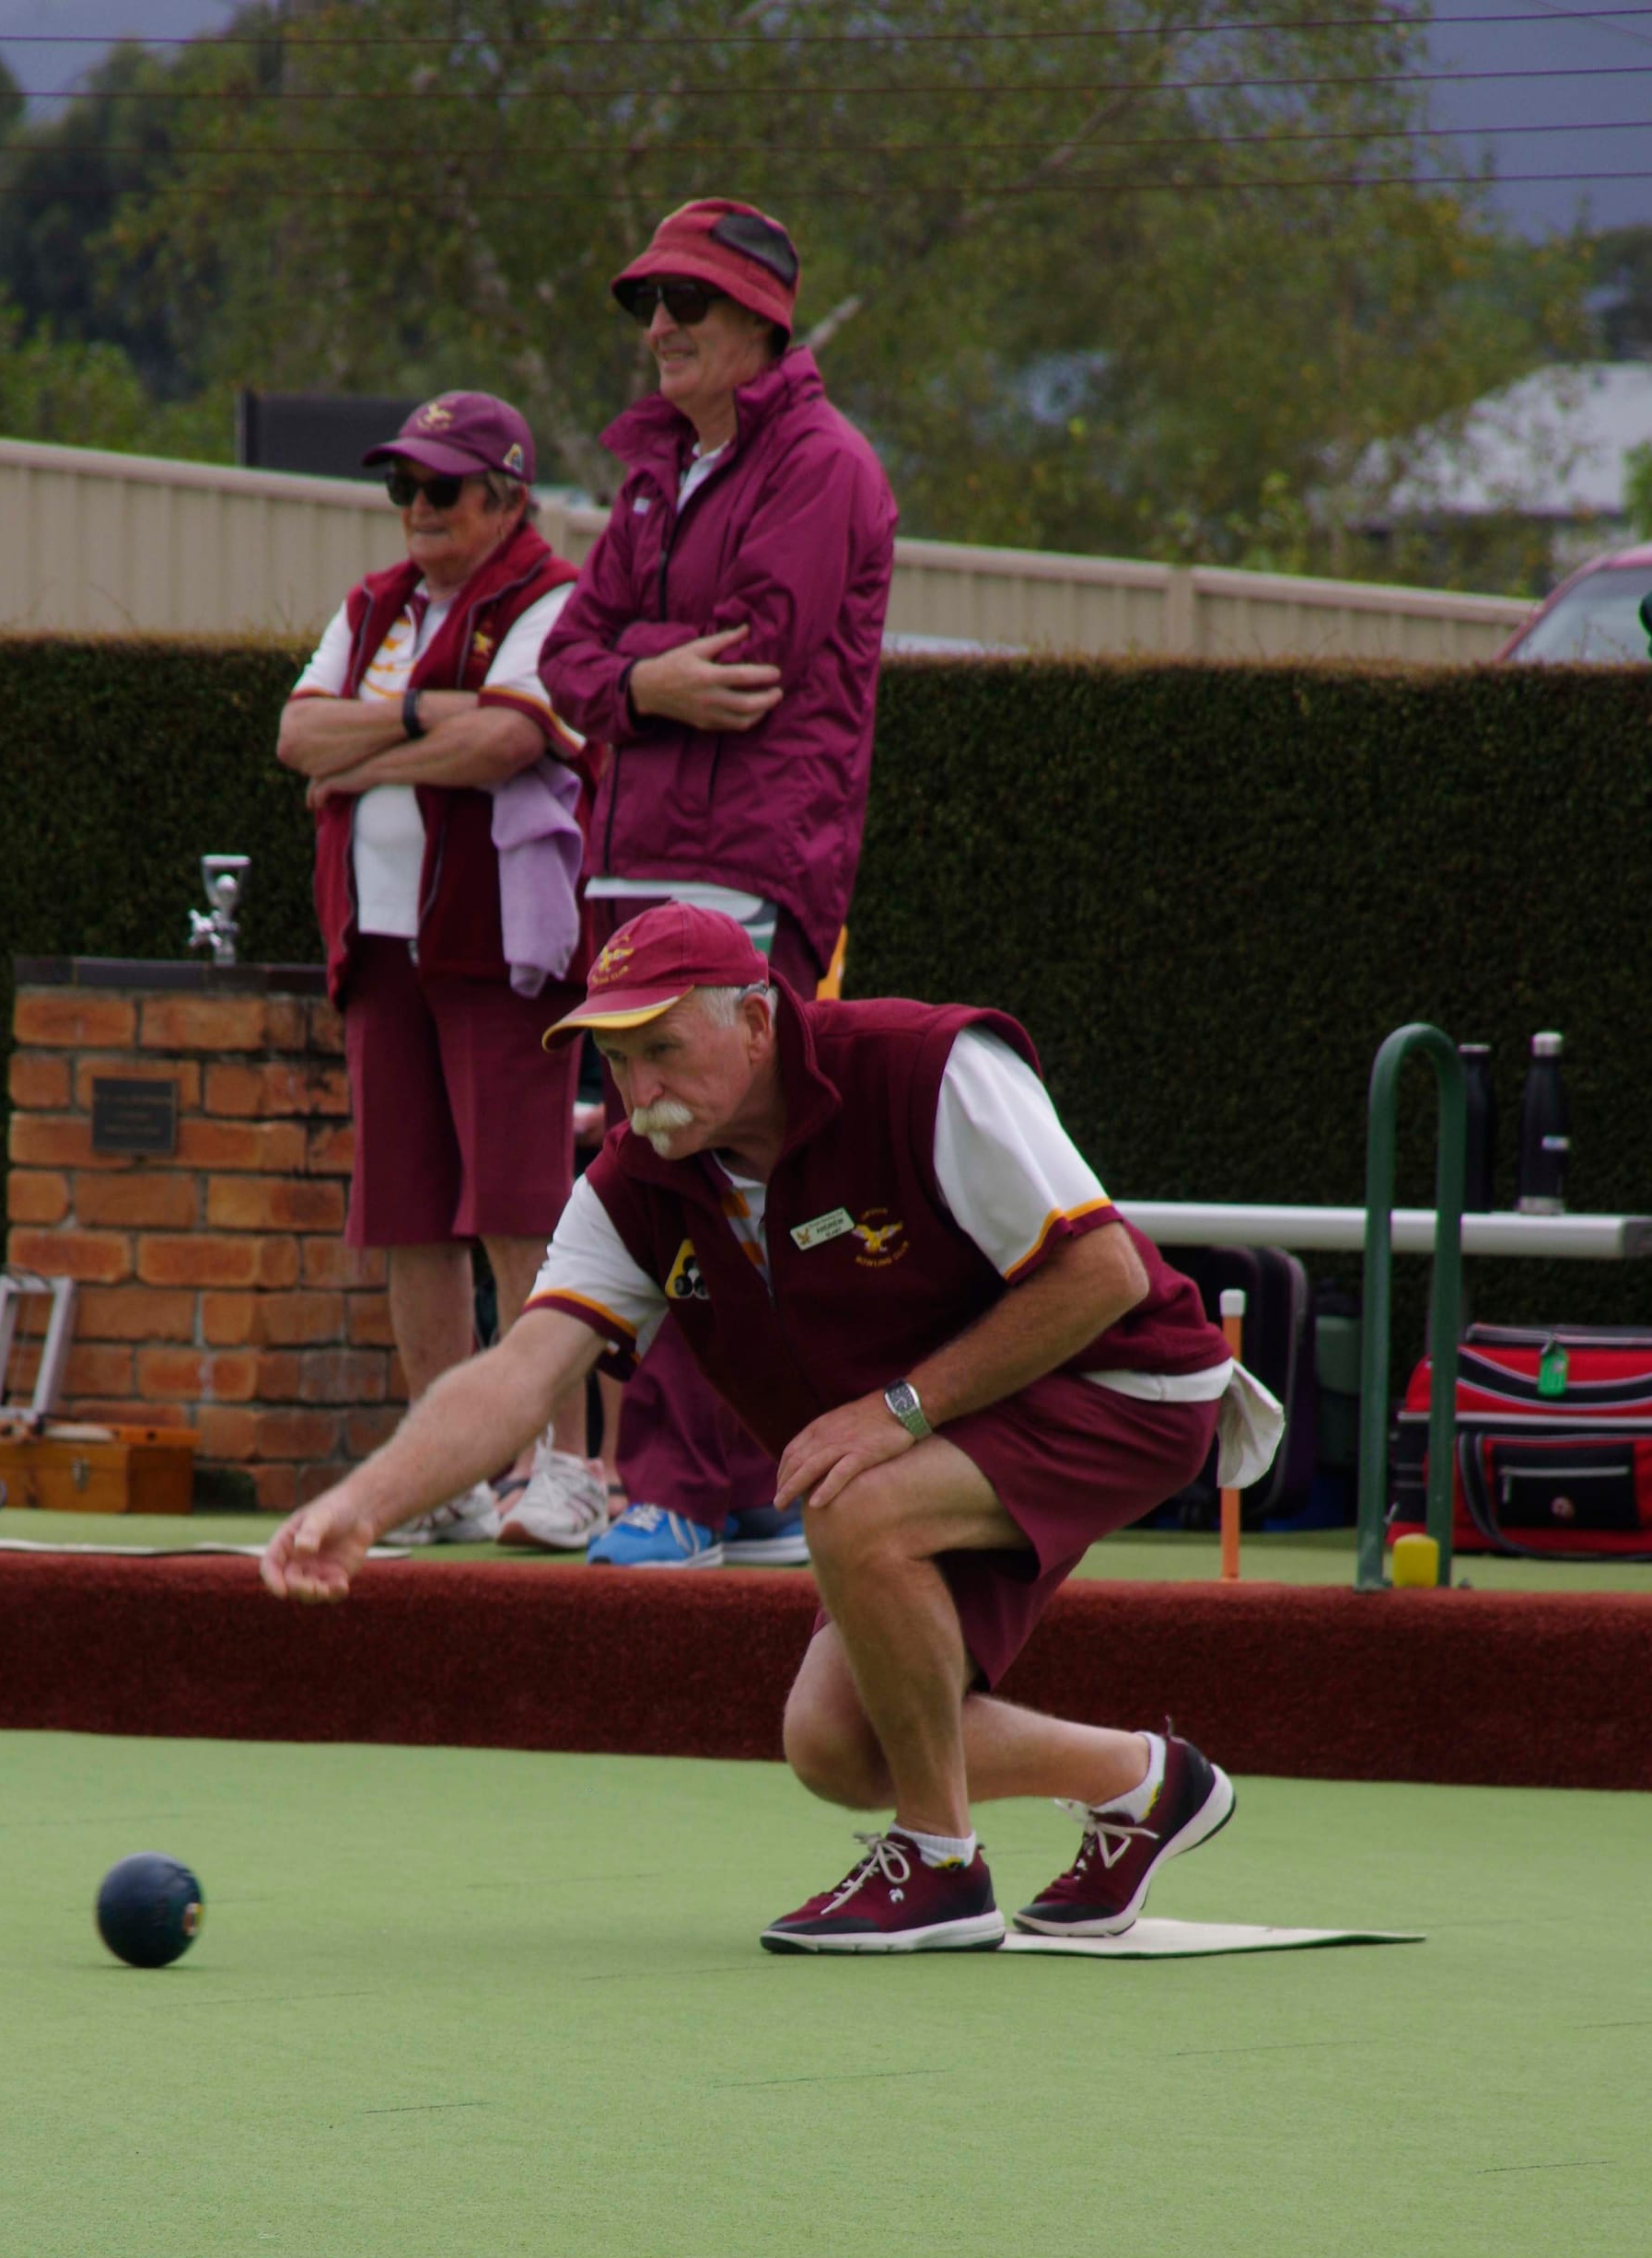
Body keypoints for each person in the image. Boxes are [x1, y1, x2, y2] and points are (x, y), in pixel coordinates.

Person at [262, 903, 1284, 1954]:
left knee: (855, 1501)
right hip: (944, 1426)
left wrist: (899, 1411)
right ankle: (1146, 1785)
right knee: (832, 1744)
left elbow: (1103, 1273)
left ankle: (940, 1864)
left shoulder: (925, 1067)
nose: (640, 1090)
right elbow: (519, 1376)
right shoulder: (633, 1187)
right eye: (616, 1061)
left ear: (756, 1022)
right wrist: (361, 1504)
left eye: (662, 1047)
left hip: (1125, 1381)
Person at [539, 196, 898, 1571]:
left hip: (752, 867)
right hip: (627, 869)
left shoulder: (825, 465)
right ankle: (740, 1480)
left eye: (688, 300)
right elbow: (570, 658)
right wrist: (640, 674)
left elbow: (752, 662)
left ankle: (679, 1486)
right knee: (683, 1165)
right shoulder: (652, 474)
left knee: (695, 1160)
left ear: (765, 322)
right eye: (648, 304)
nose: (662, 327)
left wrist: (631, 668)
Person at [278, 391, 607, 1554]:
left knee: (522, 1212)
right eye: (401, 487)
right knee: (409, 1216)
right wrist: (424, 714)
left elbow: (509, 739)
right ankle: (442, 1474)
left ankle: (563, 1465)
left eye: (441, 488)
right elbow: (296, 736)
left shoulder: (549, 598)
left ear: (506, 497)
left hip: (496, 954)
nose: (415, 509)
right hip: (373, 949)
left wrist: (370, 744)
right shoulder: (372, 605)